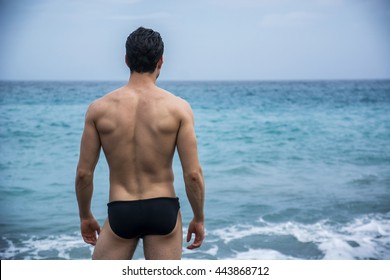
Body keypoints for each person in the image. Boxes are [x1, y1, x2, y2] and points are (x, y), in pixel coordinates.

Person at [75, 27, 205, 260]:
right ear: (161, 61)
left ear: (126, 60)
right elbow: (193, 174)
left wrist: (85, 216)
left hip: (121, 209)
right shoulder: (178, 108)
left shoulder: (99, 109)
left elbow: (84, 174)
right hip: (163, 208)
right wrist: (199, 217)